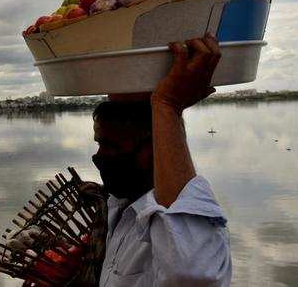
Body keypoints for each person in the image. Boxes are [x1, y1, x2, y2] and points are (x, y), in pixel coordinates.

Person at [90, 32, 232, 286]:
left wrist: (167, 105)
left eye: (110, 146)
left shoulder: (165, 224)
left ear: (153, 147)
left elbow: (191, 274)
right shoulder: (120, 208)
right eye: (99, 145)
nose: (99, 157)